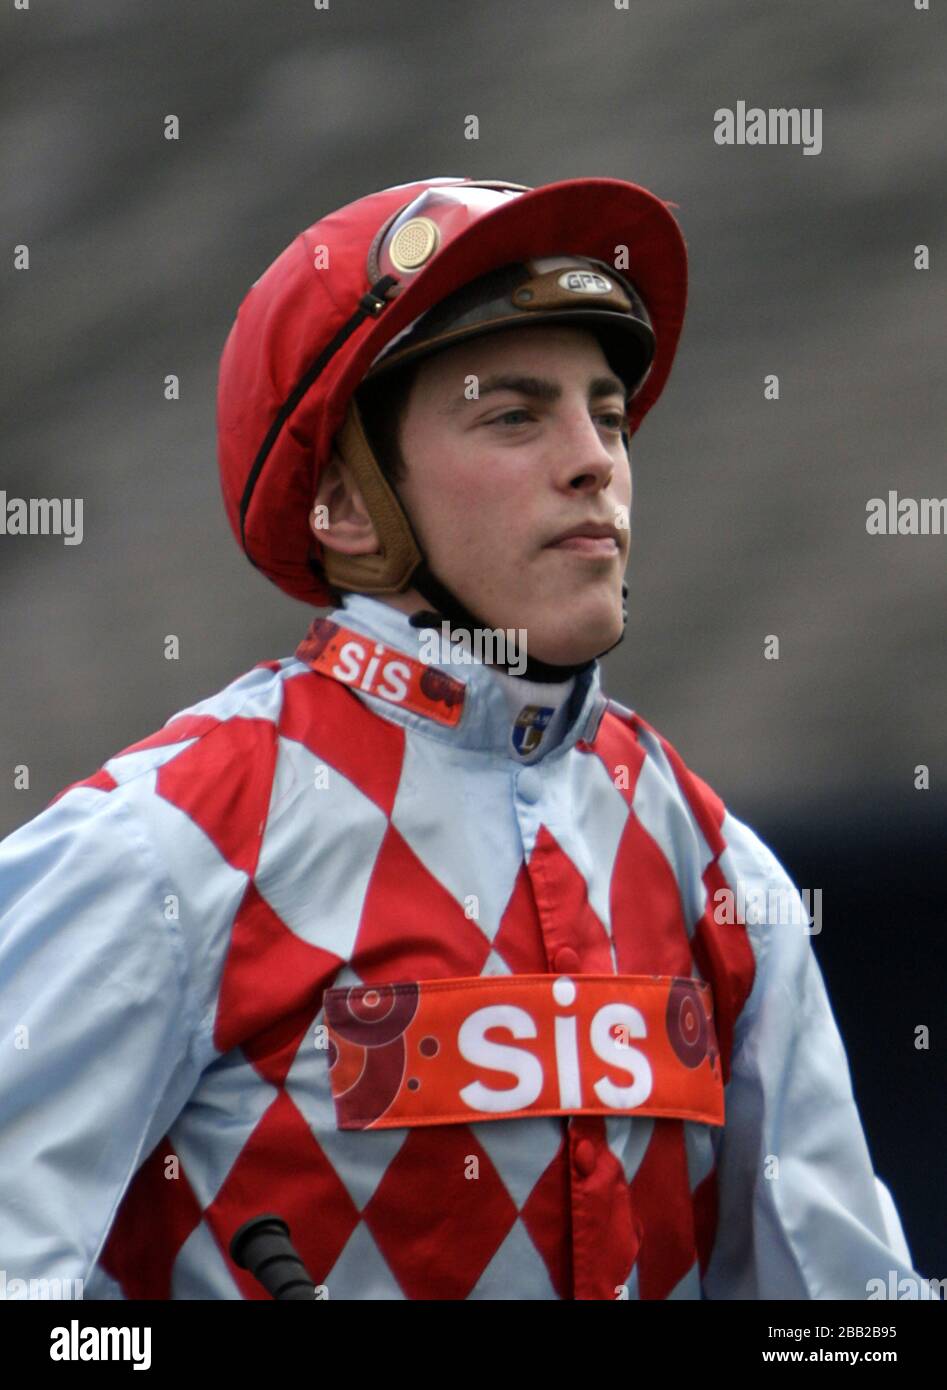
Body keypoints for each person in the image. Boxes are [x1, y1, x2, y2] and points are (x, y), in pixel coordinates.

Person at [0, 176, 930, 1301]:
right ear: (344, 504)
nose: (595, 461)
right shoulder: (157, 847)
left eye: (609, 415)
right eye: (513, 415)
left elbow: (840, 1319)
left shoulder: (717, 865)